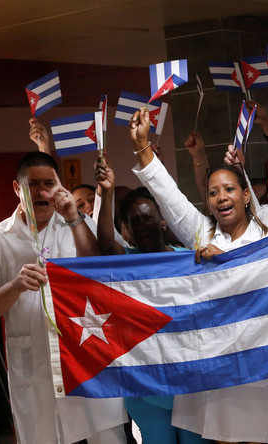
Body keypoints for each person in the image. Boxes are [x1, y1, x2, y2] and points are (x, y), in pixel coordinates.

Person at [129, 107, 268, 444]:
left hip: (254, 366)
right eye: (213, 193)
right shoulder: (203, 234)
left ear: (246, 194)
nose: (222, 197)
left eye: (229, 190)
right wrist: (142, 145)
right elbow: (169, 196)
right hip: (211, 368)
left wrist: (228, 262)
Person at [0, 152, 127, 443]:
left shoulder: (77, 223)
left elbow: (100, 275)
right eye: (33, 184)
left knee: (106, 437)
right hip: (36, 364)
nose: (43, 191)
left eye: (49, 183)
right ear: (16, 188)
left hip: (88, 357)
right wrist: (15, 286)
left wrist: (71, 216)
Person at [94, 158, 211, 444]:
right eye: (135, 220)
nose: (142, 224)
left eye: (148, 217)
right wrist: (107, 192)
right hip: (144, 386)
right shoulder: (125, 263)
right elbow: (106, 244)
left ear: (162, 220)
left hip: (190, 382)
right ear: (128, 230)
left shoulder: (189, 258)